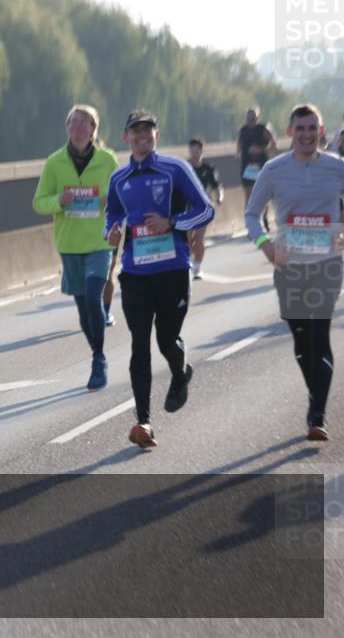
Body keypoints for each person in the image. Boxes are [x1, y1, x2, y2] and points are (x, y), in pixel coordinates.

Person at [104, 110, 215, 449]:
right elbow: (112, 213)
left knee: (166, 341)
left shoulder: (174, 169)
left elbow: (206, 209)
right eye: (136, 131)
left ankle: (180, 370)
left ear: (156, 134)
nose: (142, 136)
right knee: (139, 344)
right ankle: (144, 421)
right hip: (136, 274)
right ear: (126, 138)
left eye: (148, 130)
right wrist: (111, 231)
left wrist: (173, 224)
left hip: (172, 270)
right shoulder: (119, 179)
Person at [245, 104, 344, 442]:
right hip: (288, 267)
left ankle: (317, 415)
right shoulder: (274, 170)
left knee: (320, 336)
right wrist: (266, 246)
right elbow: (251, 216)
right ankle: (315, 398)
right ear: (290, 132)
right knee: (302, 343)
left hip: (327, 265)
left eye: (312, 128)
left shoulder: (337, 168)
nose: (306, 134)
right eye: (300, 128)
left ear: (321, 130)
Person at [33, 104, 120, 390]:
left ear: (94, 130)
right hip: (69, 245)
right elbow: (38, 202)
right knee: (84, 310)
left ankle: (98, 358)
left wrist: (113, 202)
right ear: (67, 128)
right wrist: (60, 200)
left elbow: (123, 195)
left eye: (84, 123)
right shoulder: (54, 163)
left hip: (99, 242)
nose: (78, 127)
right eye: (73, 122)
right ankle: (95, 349)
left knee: (95, 296)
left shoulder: (108, 160)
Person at [187, 136, 225, 279]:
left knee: (199, 238)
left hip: (202, 207)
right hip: (186, 207)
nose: (194, 154)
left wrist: (219, 197)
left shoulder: (208, 168)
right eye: (191, 151)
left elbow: (217, 187)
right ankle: (189, 260)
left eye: (196, 151)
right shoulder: (185, 167)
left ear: (202, 151)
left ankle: (197, 266)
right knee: (188, 239)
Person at [237, 107, 277, 227]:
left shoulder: (263, 129)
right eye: (248, 118)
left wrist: (261, 150)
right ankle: (249, 221)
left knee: (262, 192)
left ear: (257, 118)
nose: (251, 120)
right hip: (247, 165)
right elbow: (238, 146)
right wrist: (238, 153)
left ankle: (264, 216)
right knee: (248, 194)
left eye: (253, 118)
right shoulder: (243, 130)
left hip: (261, 166)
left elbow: (274, 146)